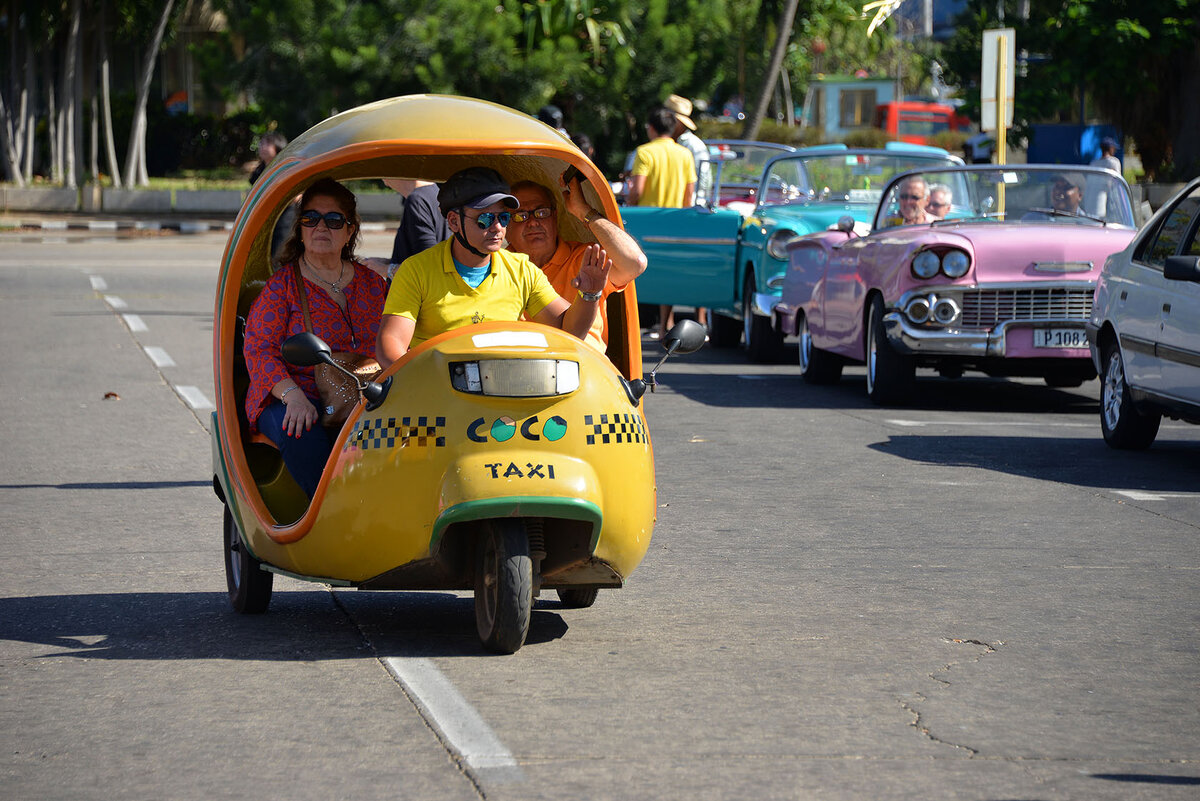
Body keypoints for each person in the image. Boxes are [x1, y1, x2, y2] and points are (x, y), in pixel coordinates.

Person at [375, 167, 611, 368]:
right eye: (485, 219)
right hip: (439, 399)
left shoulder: (521, 269)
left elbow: (568, 331)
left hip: (506, 395)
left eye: (504, 218)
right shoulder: (416, 270)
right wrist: (428, 381)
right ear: (454, 222)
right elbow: (390, 347)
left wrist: (589, 295)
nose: (497, 227)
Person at [243, 178, 388, 498]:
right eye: (311, 218)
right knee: (298, 429)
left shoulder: (372, 283)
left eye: (334, 220)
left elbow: (397, 339)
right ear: (300, 227)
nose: (321, 227)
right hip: (293, 393)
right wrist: (292, 395)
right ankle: (330, 515)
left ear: (350, 230)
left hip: (365, 393)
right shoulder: (282, 287)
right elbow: (258, 349)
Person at [506, 175, 648, 351]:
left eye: (542, 213)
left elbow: (635, 263)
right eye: (521, 216)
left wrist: (584, 212)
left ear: (555, 217)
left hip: (583, 369)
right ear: (504, 225)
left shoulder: (587, 258)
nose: (533, 222)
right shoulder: (496, 266)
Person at [626, 106, 697, 338]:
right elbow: (689, 195)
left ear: (651, 128)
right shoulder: (685, 154)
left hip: (646, 220)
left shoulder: (644, 152)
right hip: (675, 221)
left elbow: (637, 190)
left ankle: (634, 324)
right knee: (669, 273)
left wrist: (628, 204)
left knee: (636, 274)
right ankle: (667, 323)